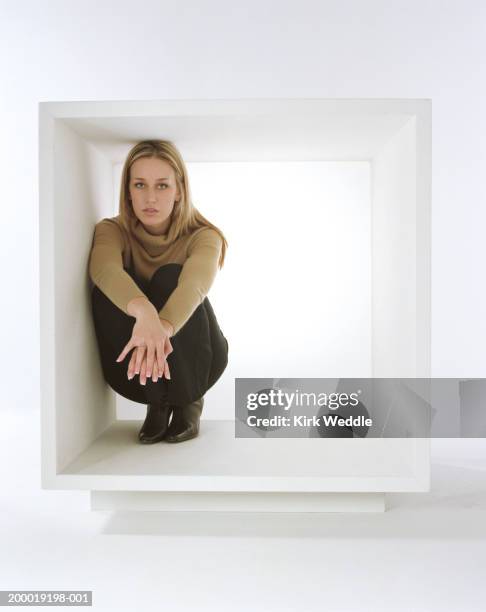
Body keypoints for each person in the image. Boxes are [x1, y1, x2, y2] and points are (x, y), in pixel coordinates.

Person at [88, 139, 229, 444]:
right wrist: (144, 312)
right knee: (106, 291)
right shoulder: (112, 230)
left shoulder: (205, 236)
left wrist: (159, 326)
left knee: (170, 277)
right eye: (140, 184)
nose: (150, 197)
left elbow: (194, 285)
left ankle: (187, 402)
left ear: (179, 190)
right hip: (136, 371)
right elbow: (104, 270)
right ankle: (158, 402)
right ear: (127, 189)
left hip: (200, 361)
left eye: (162, 186)